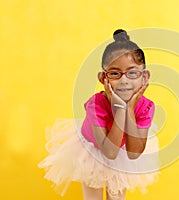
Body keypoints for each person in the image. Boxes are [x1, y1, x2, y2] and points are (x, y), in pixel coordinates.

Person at [38, 29, 159, 200]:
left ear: (145, 77)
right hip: (93, 150)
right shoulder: (96, 105)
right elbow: (109, 152)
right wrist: (120, 109)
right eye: (115, 73)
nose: (124, 80)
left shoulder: (146, 107)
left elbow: (133, 153)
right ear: (103, 78)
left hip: (122, 149)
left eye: (132, 73)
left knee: (117, 197)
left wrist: (129, 108)